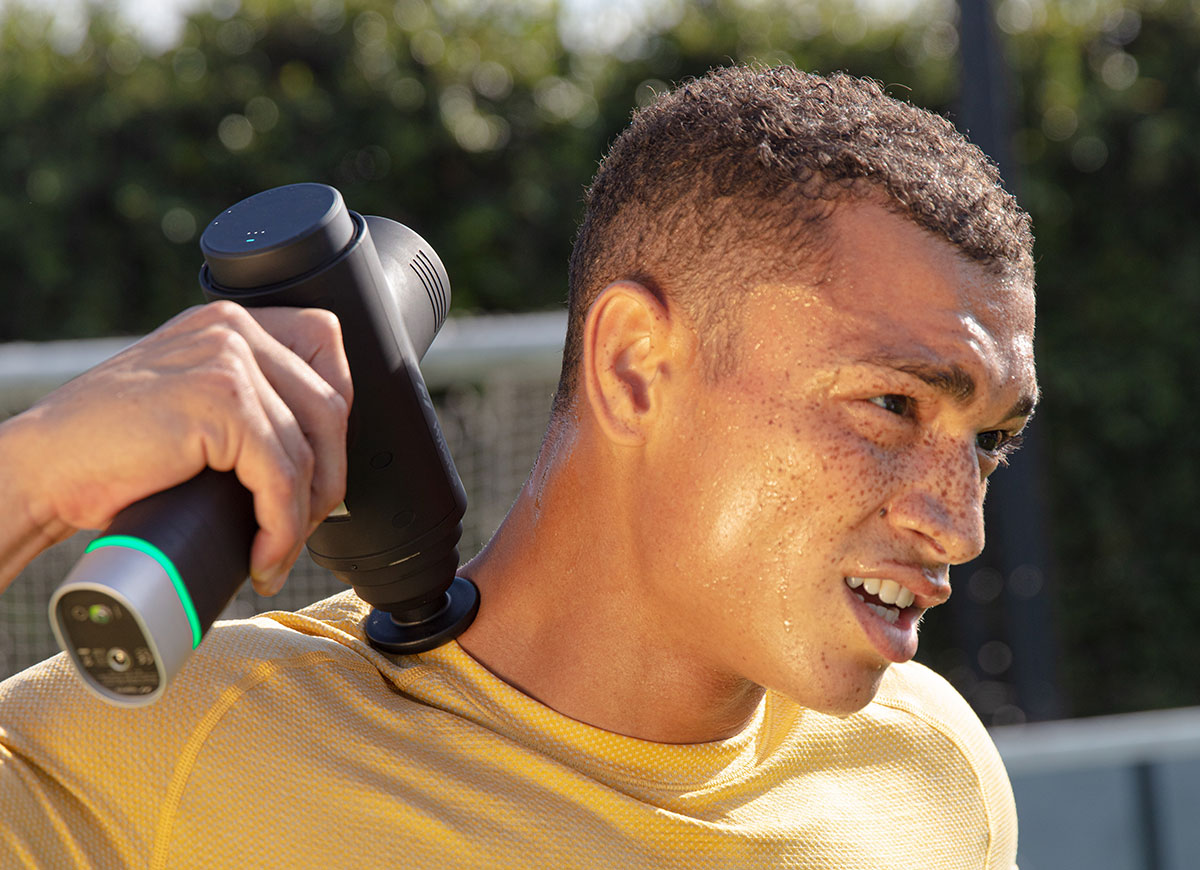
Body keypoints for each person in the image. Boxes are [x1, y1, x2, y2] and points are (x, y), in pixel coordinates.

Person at [0, 65, 1035, 868]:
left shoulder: (933, 767)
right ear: (634, 365)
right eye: (892, 406)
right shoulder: (170, 750)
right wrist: (32, 474)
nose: (961, 523)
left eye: (988, 439)